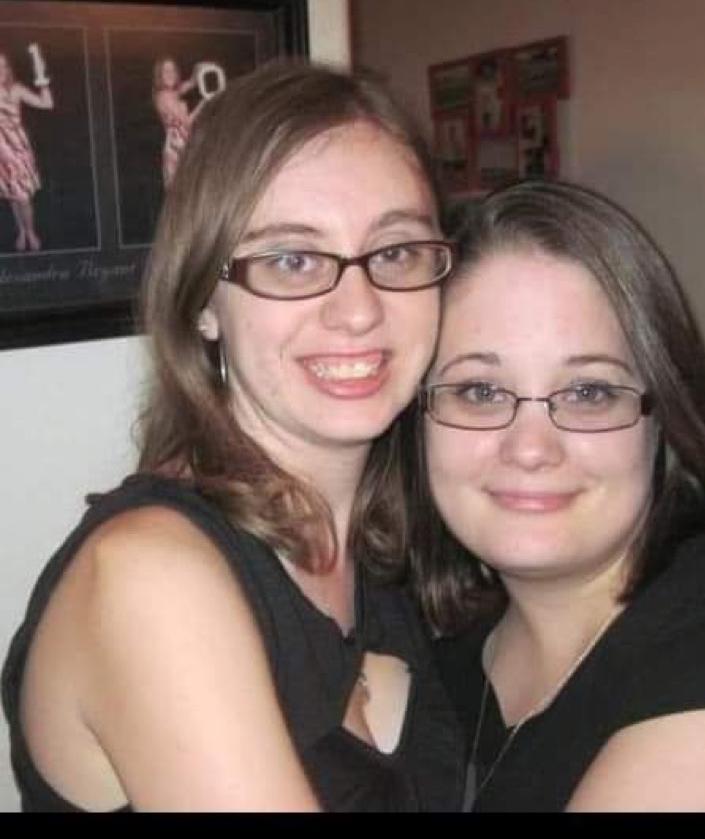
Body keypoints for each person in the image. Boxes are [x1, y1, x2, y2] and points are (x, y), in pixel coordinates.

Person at [2, 60, 464, 812]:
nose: (359, 309)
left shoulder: (392, 547)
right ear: (202, 302)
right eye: (291, 260)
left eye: (395, 252)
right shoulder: (150, 579)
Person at [411, 179, 705, 811]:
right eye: (479, 391)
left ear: (662, 420)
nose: (530, 448)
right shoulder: (425, 673)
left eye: (589, 392)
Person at [0, 50, 53, 251]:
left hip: (18, 149)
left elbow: (47, 104)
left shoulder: (16, 90)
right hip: (1, 151)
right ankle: (21, 231)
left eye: (3, 66)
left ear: (8, 69)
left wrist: (42, 79)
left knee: (23, 196)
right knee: (12, 195)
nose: (0, 70)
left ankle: (30, 231)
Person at [152, 57, 209, 189]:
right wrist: (204, 103)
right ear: (160, 75)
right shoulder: (164, 97)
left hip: (183, 144)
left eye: (173, 70)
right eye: (166, 71)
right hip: (177, 147)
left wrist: (197, 71)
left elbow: (191, 83)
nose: (170, 74)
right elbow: (187, 123)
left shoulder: (171, 93)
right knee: (183, 187)